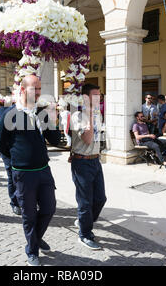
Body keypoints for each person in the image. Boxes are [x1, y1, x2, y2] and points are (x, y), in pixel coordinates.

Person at [0, 74, 61, 266]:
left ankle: (35, 238)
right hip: (23, 174)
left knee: (49, 208)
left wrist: (53, 117)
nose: (39, 92)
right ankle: (32, 250)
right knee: (29, 214)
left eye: (40, 89)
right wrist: (18, 157)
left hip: (44, 170)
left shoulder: (42, 113)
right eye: (35, 89)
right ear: (23, 90)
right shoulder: (10, 114)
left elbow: (55, 140)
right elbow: (0, 143)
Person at [70, 84, 107, 251]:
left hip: (95, 161)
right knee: (85, 202)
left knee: (100, 198)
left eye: (100, 95)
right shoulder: (77, 116)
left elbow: (98, 137)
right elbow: (86, 138)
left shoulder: (97, 115)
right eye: (95, 96)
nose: (99, 99)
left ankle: (85, 220)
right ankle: (84, 234)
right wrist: (90, 114)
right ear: (85, 98)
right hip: (82, 162)